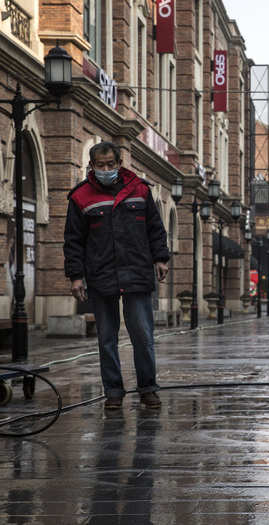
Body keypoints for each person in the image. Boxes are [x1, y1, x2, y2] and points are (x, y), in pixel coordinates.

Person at [64, 141, 170, 410]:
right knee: (107, 339)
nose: (106, 169)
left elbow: (156, 229)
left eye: (111, 164)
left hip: (136, 273)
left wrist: (160, 258)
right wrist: (76, 276)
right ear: (91, 166)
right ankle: (113, 392)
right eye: (101, 165)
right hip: (101, 276)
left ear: (119, 164)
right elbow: (74, 241)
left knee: (143, 336)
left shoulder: (140, 190)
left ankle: (148, 389)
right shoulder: (81, 197)